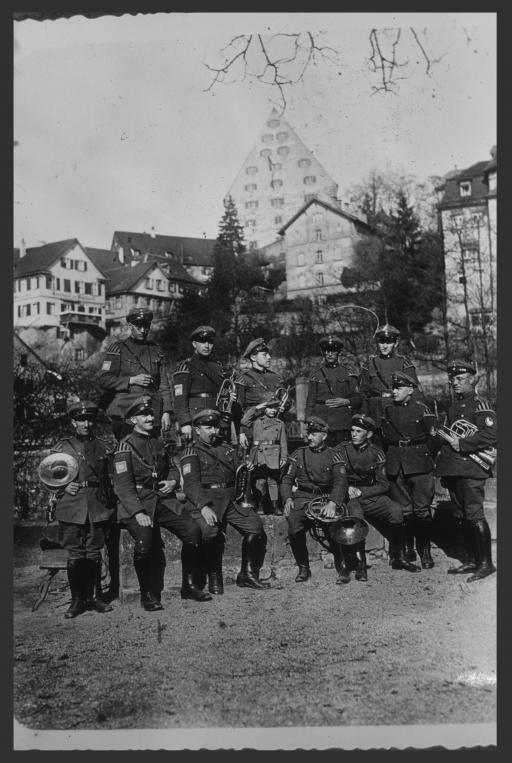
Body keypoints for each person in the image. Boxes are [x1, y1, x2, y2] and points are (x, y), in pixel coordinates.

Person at [112, 395, 212, 611]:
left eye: (150, 413)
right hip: (138, 503)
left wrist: (173, 480)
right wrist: (138, 512)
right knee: (145, 540)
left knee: (193, 530)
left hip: (162, 501)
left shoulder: (158, 442)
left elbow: (173, 468)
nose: (149, 417)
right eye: (143, 415)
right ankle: (147, 594)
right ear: (132, 421)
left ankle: (190, 585)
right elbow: (123, 486)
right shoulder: (124, 447)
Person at [179, 409, 271, 592]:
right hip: (207, 500)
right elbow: (191, 485)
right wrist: (203, 507)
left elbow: (239, 469)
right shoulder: (191, 451)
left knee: (255, 527)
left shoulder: (227, 448)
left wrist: (247, 467)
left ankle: (247, 574)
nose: (213, 431)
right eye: (208, 427)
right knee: (210, 534)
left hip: (231, 499)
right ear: (197, 430)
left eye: (215, 427)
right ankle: (214, 577)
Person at [49, 400, 115, 618]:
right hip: (71, 504)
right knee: (75, 553)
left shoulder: (104, 446)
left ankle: (96, 597)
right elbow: (47, 475)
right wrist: (63, 485)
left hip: (96, 504)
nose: (86, 423)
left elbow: (113, 477)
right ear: (73, 421)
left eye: (89, 419)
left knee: (94, 551)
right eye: (80, 419)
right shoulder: (62, 447)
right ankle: (77, 600)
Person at [336, 413, 421, 578]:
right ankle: (360, 565)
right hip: (350, 497)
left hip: (369, 495)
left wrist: (363, 491)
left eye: (359, 431)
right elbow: (335, 476)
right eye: (352, 430)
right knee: (356, 517)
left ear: (369, 434)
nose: (353, 434)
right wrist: (347, 488)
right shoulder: (341, 450)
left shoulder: (377, 453)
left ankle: (399, 557)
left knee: (396, 510)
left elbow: (384, 484)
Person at [435, 360, 496, 582]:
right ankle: (471, 559)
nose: (455, 382)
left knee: (474, 515)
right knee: (460, 516)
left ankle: (486, 563)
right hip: (455, 470)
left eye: (460, 379)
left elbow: (491, 435)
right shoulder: (453, 407)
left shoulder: (480, 404)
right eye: (452, 379)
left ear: (472, 379)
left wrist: (462, 444)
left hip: (472, 470)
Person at [281, 416, 350, 585]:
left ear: (324, 436)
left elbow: (341, 482)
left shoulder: (334, 455)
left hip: (325, 498)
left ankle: (342, 568)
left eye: (313, 434)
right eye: (308, 433)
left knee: (334, 526)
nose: (309, 437)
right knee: (294, 525)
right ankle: (304, 568)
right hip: (303, 497)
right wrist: (288, 498)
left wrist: (333, 503)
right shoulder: (298, 454)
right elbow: (286, 480)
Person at [381, 372, 437, 570]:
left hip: (419, 463)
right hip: (396, 463)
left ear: (410, 390)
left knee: (422, 509)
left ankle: (425, 551)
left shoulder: (422, 409)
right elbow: (384, 437)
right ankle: (407, 548)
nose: (394, 391)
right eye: (393, 387)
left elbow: (433, 440)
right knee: (404, 510)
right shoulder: (388, 410)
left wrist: (423, 457)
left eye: (398, 388)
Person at [98, 307, 173, 441]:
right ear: (130, 326)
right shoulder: (118, 349)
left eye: (146, 326)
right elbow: (104, 380)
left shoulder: (156, 350)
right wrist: (132, 380)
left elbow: (163, 384)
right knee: (129, 453)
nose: (143, 330)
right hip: (127, 413)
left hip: (153, 412)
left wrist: (167, 411)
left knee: (155, 454)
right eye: (139, 326)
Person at [360, 324, 421, 442]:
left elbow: (414, 390)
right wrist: (364, 417)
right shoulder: (370, 363)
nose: (384, 346)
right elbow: (364, 393)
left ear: (395, 343)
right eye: (381, 342)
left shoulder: (403, 363)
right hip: (375, 413)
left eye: (388, 342)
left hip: (397, 410)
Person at [172, 325, 232, 443]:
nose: (207, 345)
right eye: (203, 342)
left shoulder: (218, 367)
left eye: (210, 342)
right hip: (196, 419)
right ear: (194, 344)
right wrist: (185, 423)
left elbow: (223, 394)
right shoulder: (186, 367)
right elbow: (180, 399)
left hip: (216, 419)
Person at [303, 335, 363, 446]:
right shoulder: (316, 375)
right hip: (321, 423)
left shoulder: (348, 373)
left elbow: (358, 398)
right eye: (327, 351)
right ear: (323, 353)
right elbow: (310, 402)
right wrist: (307, 423)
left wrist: (346, 401)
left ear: (339, 352)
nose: (330, 354)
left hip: (342, 424)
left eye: (333, 351)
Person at [236, 338, 288, 449]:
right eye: (264, 355)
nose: (269, 357)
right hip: (253, 430)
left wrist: (284, 406)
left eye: (269, 354)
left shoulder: (276, 378)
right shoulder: (244, 379)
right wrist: (240, 433)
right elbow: (238, 409)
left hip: (274, 431)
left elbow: (287, 400)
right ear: (253, 357)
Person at [240, 398, 288, 515]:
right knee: (259, 481)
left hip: (273, 454)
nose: (273, 410)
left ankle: (275, 505)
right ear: (265, 409)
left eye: (275, 408)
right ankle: (259, 504)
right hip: (259, 453)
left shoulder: (279, 423)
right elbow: (244, 421)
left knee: (272, 481)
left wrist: (284, 457)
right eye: (270, 408)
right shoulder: (257, 421)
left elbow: (283, 442)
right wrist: (257, 407)